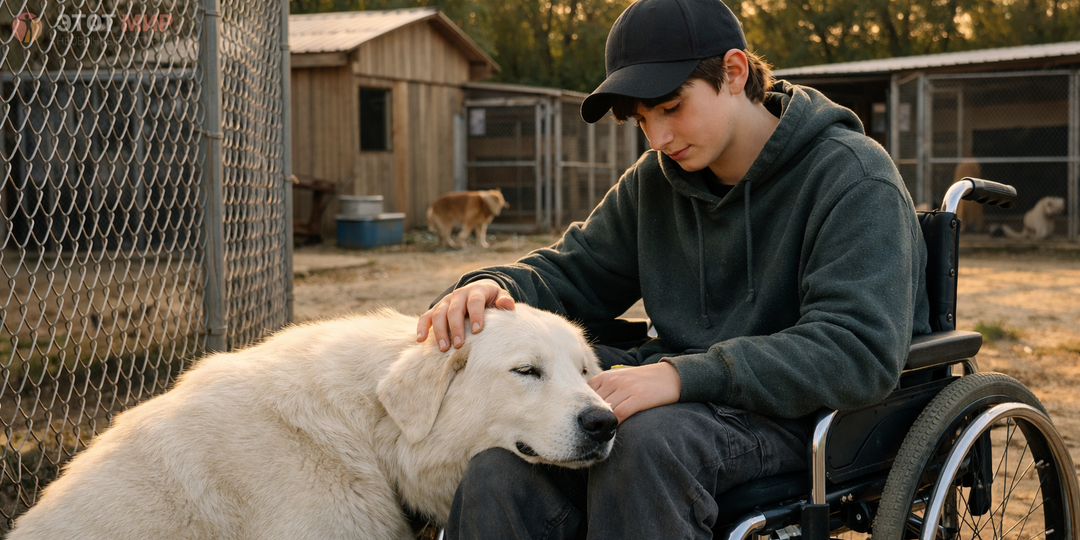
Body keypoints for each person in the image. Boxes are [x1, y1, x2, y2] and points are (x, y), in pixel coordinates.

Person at [415, 0, 932, 537]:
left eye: (670, 107)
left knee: (641, 442)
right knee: (498, 466)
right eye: (642, 120)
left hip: (803, 417)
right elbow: (574, 273)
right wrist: (490, 288)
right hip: (681, 400)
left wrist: (681, 375)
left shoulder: (853, 178)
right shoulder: (656, 181)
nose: (657, 138)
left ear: (734, 72)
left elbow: (858, 351)